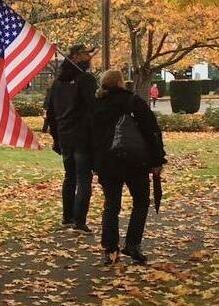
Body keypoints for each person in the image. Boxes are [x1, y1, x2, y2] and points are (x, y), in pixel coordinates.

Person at [90, 70, 166, 265]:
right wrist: (157, 160)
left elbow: (90, 137)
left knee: (111, 204)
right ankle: (132, 243)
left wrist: (94, 163)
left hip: (107, 161)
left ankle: (110, 248)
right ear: (121, 83)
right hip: (134, 161)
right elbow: (151, 131)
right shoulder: (133, 102)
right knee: (141, 201)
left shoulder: (97, 105)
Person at [43, 43, 99, 233]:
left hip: (65, 135)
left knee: (71, 176)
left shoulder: (58, 83)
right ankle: (79, 221)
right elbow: (94, 108)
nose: (89, 58)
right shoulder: (86, 80)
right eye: (85, 54)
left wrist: (56, 137)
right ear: (75, 57)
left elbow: (50, 112)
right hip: (82, 137)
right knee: (83, 178)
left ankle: (68, 216)